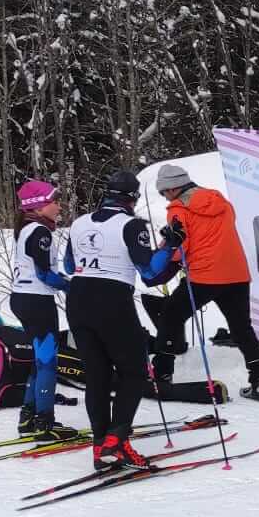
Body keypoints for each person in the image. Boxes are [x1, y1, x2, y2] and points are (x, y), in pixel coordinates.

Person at [65, 169, 179, 470]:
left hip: (77, 300)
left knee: (97, 376)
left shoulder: (79, 223)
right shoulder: (133, 225)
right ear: (132, 199)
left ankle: (100, 446)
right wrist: (169, 246)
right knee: (135, 371)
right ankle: (118, 438)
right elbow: (150, 272)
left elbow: (67, 264)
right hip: (112, 299)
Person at [143, 162, 259, 402]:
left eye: (163, 192)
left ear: (172, 189)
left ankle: (161, 375)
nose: (164, 197)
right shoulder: (220, 202)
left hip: (204, 275)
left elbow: (181, 245)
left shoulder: (178, 209)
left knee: (170, 316)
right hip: (237, 274)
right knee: (242, 328)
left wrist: (161, 255)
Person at [8, 178, 80, 441]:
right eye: (53, 202)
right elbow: (44, 275)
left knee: (40, 361)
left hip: (23, 298)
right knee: (48, 362)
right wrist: (71, 287)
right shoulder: (40, 231)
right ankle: (45, 424)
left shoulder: (29, 228)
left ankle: (28, 417)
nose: (58, 207)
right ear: (38, 206)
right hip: (36, 301)